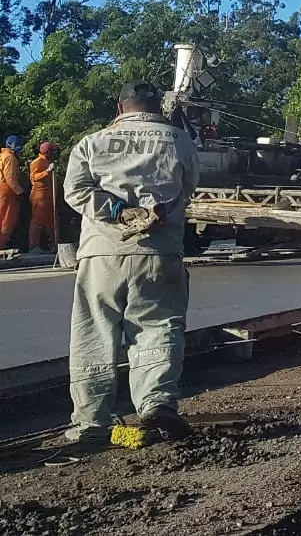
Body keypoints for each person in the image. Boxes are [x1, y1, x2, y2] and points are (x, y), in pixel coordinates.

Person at [54, 81, 201, 447]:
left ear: (120, 108)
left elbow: (75, 191)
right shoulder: (178, 139)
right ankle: (157, 406)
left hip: (101, 253)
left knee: (94, 334)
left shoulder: (93, 142)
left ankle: (91, 423)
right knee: (158, 327)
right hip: (159, 252)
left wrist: (117, 211)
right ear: (157, 107)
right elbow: (189, 187)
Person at [29, 142, 60, 253]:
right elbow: (34, 177)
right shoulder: (37, 163)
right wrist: (47, 171)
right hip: (40, 196)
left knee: (51, 222)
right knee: (38, 222)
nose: (54, 153)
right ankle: (33, 246)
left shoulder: (48, 162)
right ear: (48, 152)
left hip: (49, 197)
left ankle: (53, 245)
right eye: (53, 151)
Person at [0, 135, 24, 248]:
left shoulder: (2, 155)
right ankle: (2, 244)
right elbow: (10, 179)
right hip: (7, 191)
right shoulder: (10, 158)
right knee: (7, 218)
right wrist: (20, 192)